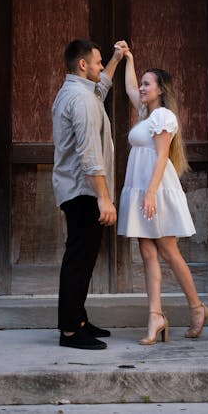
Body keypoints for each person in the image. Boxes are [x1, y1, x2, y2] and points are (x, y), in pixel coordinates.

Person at [117, 50, 208, 345]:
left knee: (169, 252)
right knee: (147, 253)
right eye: (143, 83)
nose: (143, 88)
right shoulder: (145, 114)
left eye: (148, 84)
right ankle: (155, 316)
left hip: (155, 189)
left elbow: (162, 157)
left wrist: (150, 194)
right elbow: (129, 88)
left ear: (161, 89)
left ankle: (197, 308)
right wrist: (128, 58)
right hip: (141, 188)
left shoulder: (163, 116)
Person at [52, 38, 127, 350]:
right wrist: (104, 197)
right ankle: (70, 331)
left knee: (82, 258)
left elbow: (102, 87)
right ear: (82, 65)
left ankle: (78, 319)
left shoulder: (80, 92)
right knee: (78, 261)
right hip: (84, 191)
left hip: (80, 189)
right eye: (96, 62)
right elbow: (88, 154)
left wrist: (115, 58)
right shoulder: (80, 100)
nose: (100, 68)